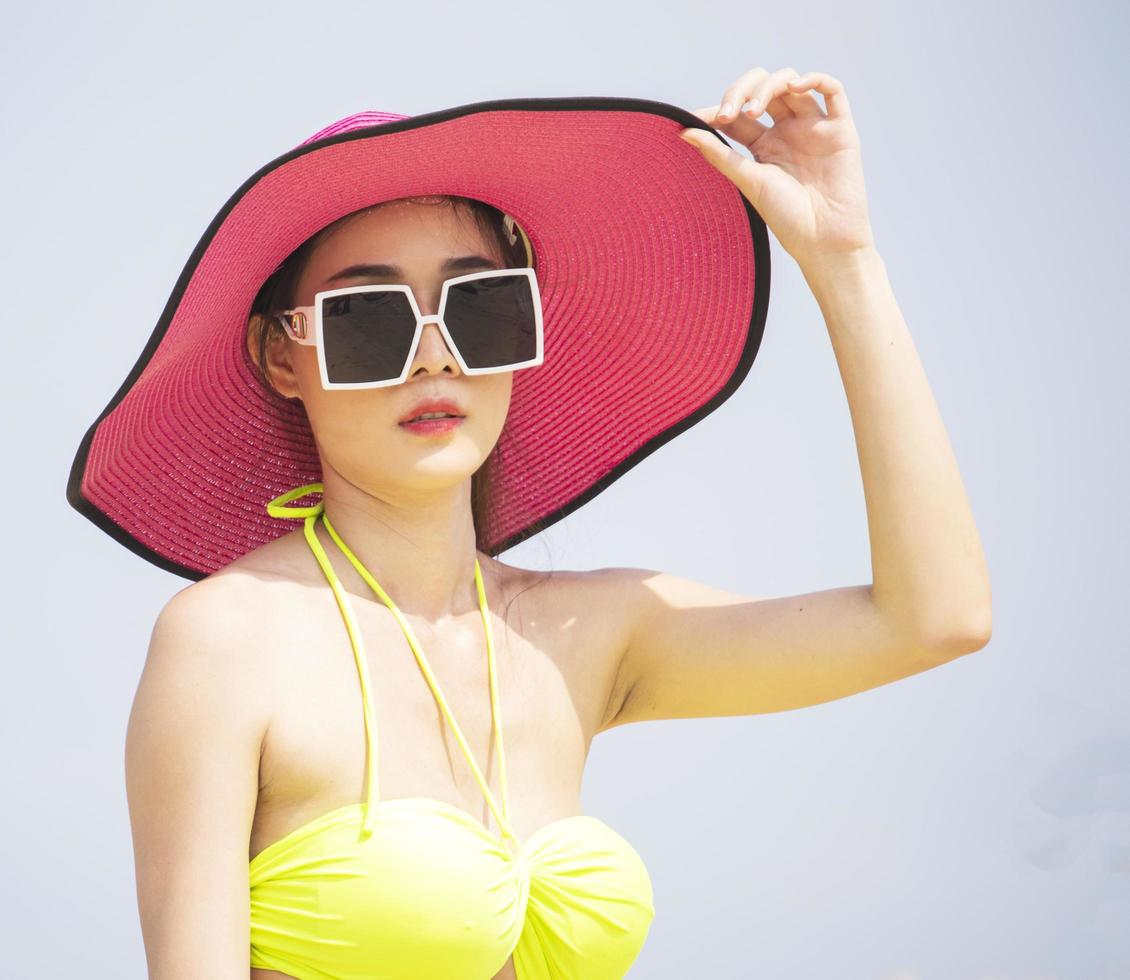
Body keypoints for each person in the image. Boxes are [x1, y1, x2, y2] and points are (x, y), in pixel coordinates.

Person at [70, 67, 992, 980]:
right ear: (282, 355)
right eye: (369, 318)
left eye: (480, 304)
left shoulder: (587, 635)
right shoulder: (228, 640)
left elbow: (935, 618)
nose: (434, 353)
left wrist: (844, 262)